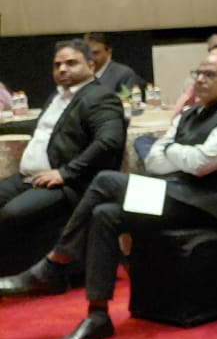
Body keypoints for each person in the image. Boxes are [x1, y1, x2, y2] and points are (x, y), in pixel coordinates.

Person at [29, 49, 217, 339]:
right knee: (105, 213)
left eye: (210, 75)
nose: (200, 80)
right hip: (176, 196)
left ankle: (57, 262)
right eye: (198, 73)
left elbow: (202, 163)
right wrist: (179, 155)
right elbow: (155, 160)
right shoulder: (189, 114)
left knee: (106, 181)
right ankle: (97, 315)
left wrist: (173, 151)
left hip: (210, 206)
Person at [0, 41, 126, 291]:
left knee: (13, 214)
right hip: (30, 177)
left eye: (71, 63)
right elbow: (42, 127)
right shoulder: (58, 96)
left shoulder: (100, 97)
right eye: (57, 64)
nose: (62, 69)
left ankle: (31, 275)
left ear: (91, 65)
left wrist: (66, 173)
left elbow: (109, 142)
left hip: (70, 183)